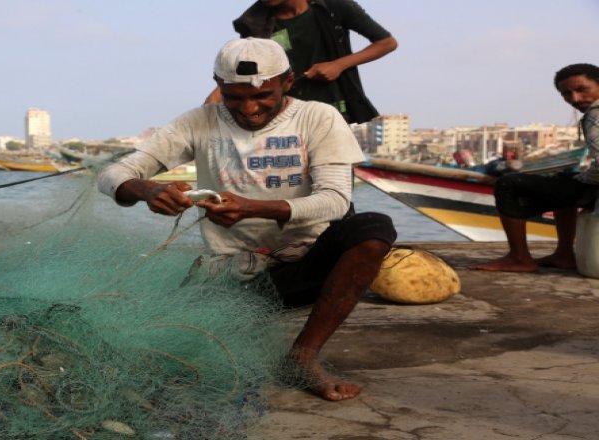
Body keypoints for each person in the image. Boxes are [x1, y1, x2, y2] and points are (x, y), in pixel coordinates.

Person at [99, 38, 396, 401]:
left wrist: (253, 208)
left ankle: (302, 357)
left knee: (373, 230)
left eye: (262, 96)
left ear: (287, 82)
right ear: (218, 85)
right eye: (234, 97)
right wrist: (146, 191)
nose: (248, 108)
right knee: (164, 363)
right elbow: (113, 174)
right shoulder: (198, 122)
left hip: (304, 266)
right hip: (234, 276)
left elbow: (335, 201)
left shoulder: (317, 117)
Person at [470, 63, 599, 273]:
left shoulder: (596, 114)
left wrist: (581, 179)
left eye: (582, 89)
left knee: (508, 184)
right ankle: (564, 254)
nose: (574, 99)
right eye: (566, 94)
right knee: (562, 181)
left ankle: (519, 257)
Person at [205, 0, 397, 124]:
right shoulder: (254, 21)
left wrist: (338, 65)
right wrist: (217, 95)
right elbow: (245, 70)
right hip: (282, 114)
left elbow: (386, 43)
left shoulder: (334, 6)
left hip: (333, 110)